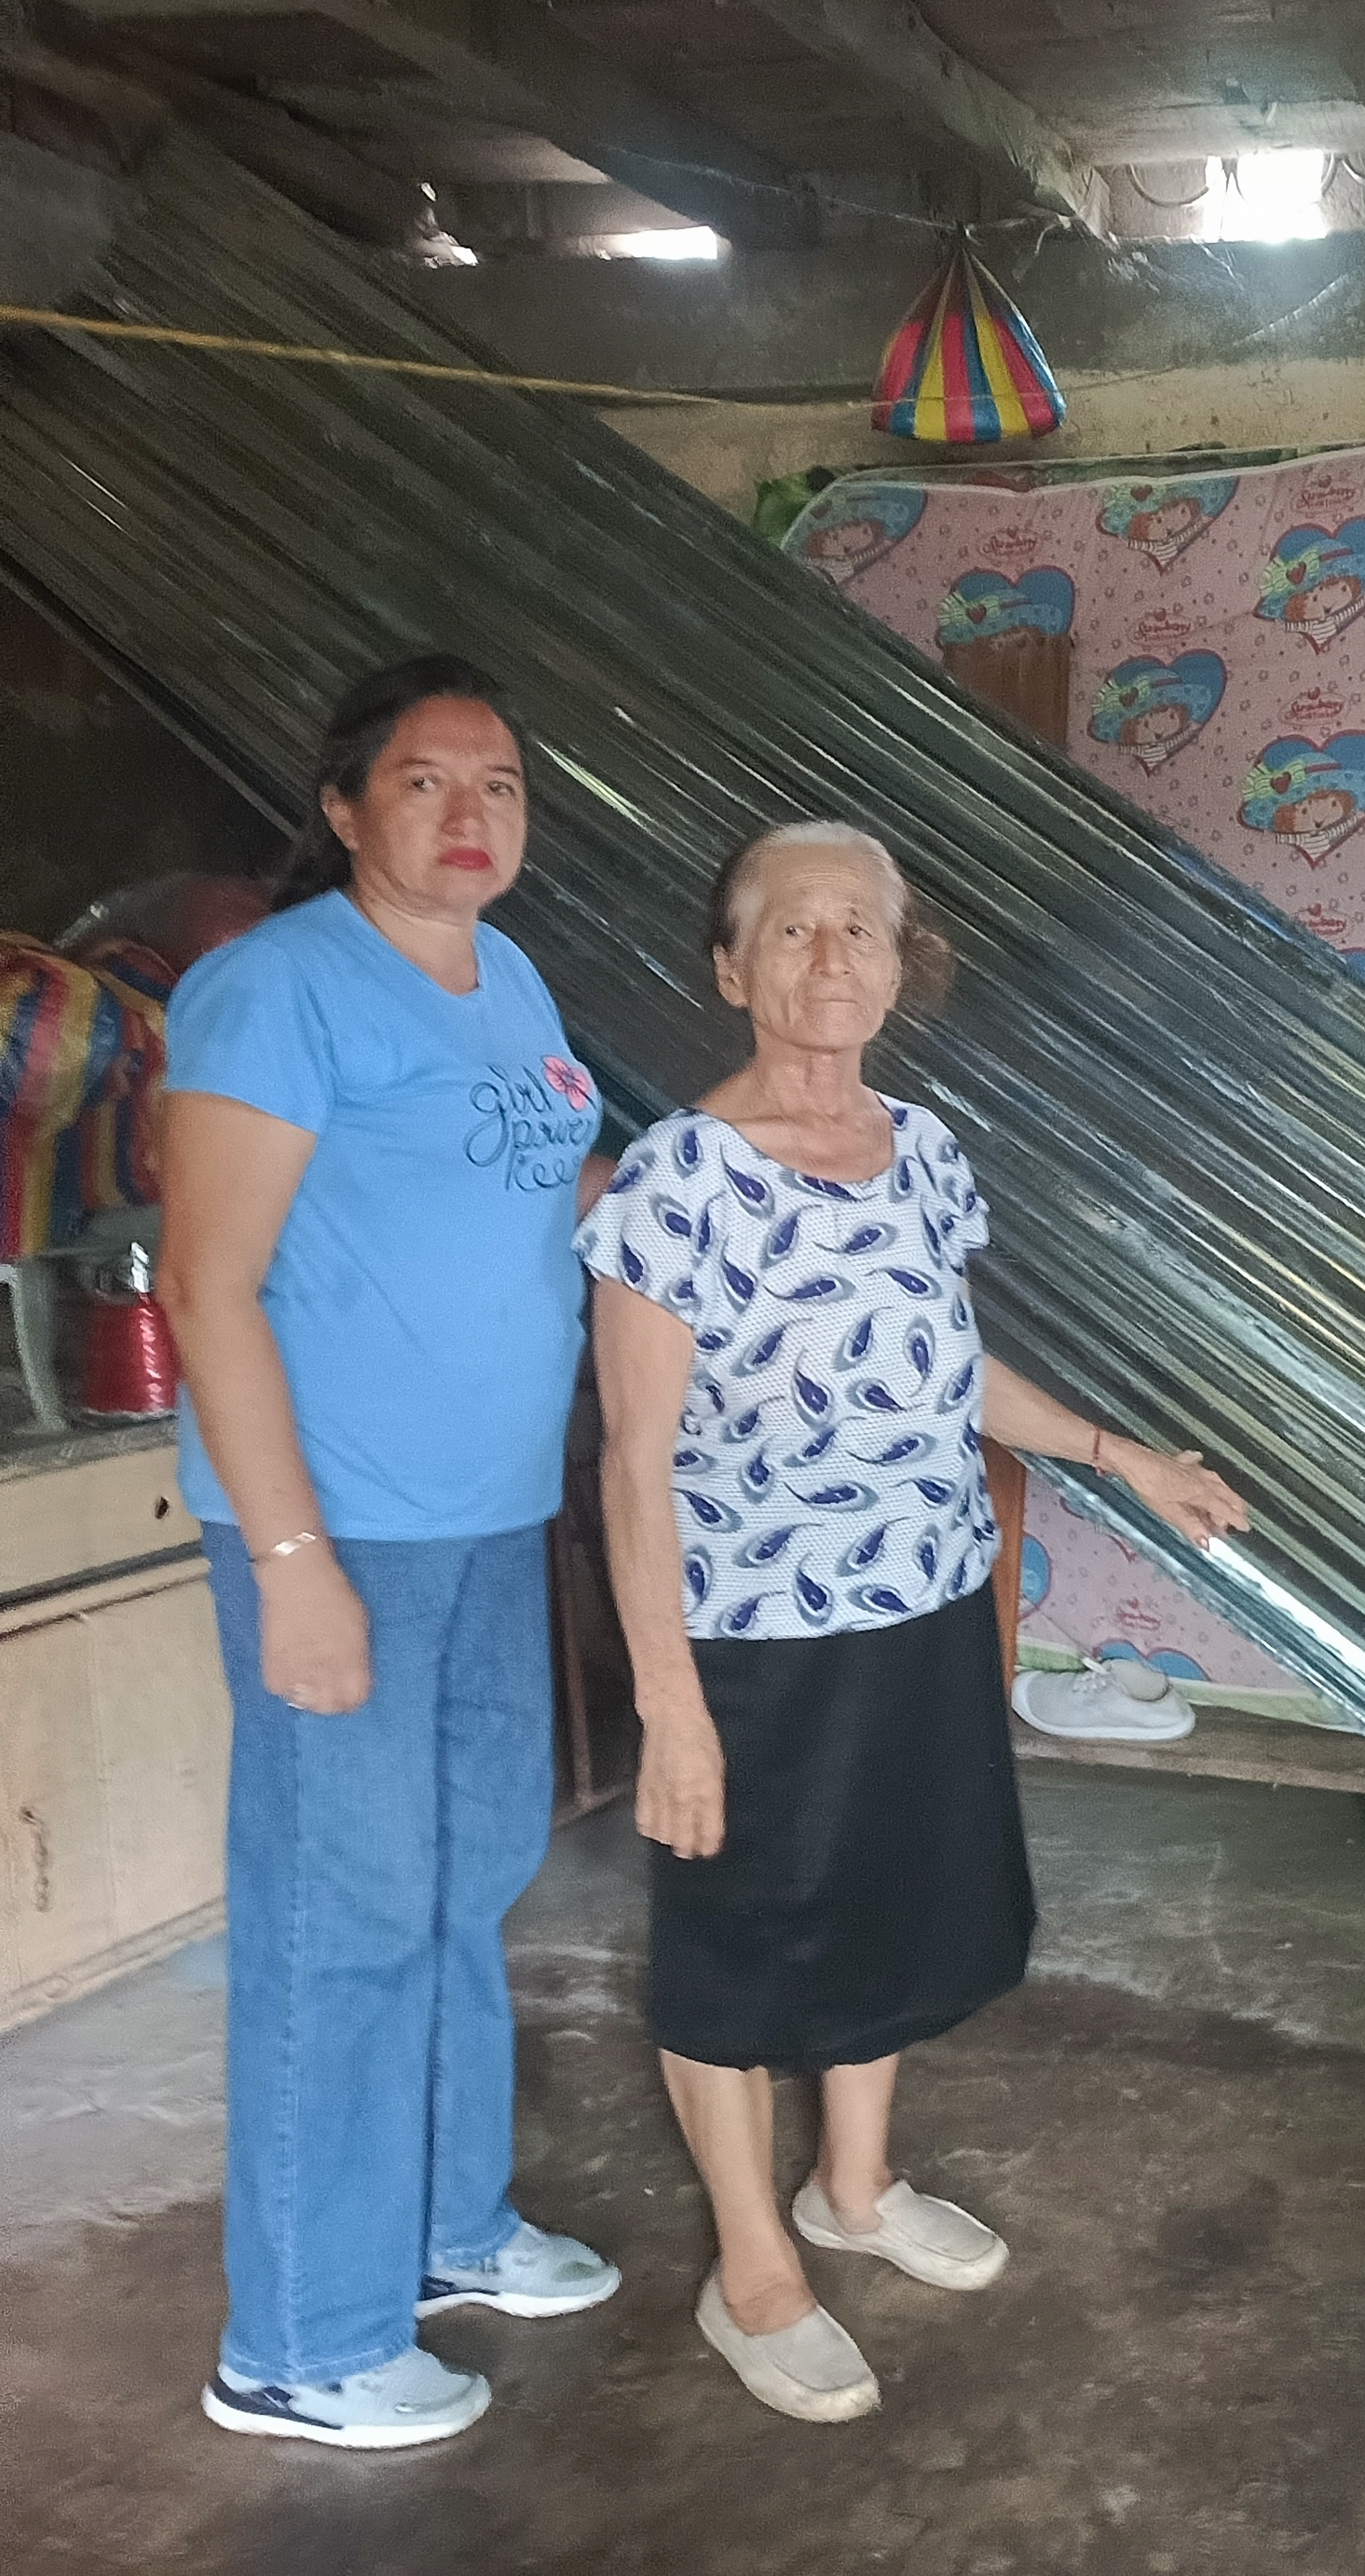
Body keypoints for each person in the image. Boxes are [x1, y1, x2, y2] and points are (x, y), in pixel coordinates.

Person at [581, 821, 1251, 2425]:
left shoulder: (925, 1150)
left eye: (860, 929)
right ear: (730, 966)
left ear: (897, 967)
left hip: (926, 1600)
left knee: (890, 1896)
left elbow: (947, 1368)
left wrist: (1122, 1456)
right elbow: (631, 1460)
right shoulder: (677, 1179)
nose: (830, 956)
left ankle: (853, 2186)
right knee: (737, 1944)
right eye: (791, 928)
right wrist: (670, 1708)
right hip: (751, 1637)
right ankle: (753, 2265)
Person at [157, 656, 621, 2451]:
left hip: (489, 1512)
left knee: (462, 1877)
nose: (469, 812)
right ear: (345, 807)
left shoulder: (511, 978)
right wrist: (291, 1559)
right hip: (337, 1521)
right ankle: (301, 2337)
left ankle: (440, 2219)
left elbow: (538, 1195)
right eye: (425, 780)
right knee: (338, 1914)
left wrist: (719, 1184)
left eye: (498, 781)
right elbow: (206, 1284)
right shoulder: (275, 987)